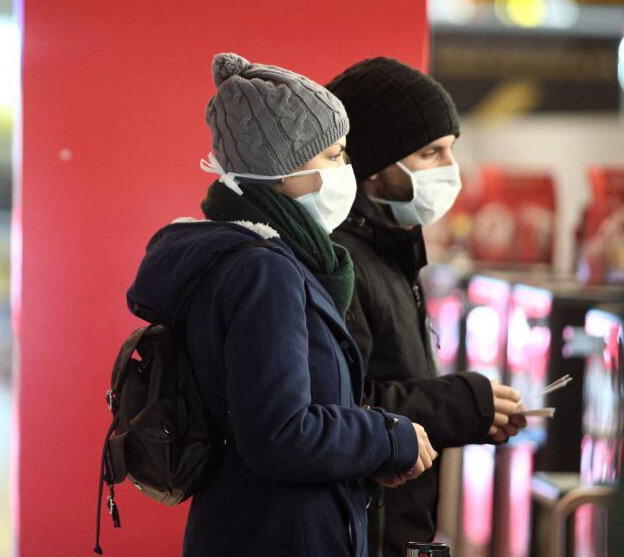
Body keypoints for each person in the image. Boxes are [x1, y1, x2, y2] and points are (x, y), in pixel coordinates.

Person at [126, 52, 437, 557]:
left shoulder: (248, 256)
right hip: (279, 535)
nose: (346, 169)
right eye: (333, 155)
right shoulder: (263, 271)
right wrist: (388, 436)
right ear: (280, 167)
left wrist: (365, 455)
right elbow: (281, 433)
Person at [325, 57, 528, 556]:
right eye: (431, 153)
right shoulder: (341, 261)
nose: (450, 170)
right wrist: (460, 404)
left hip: (393, 527)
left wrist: (471, 413)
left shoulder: (389, 251)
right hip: (360, 532)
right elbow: (340, 407)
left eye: (450, 150)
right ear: (374, 163)